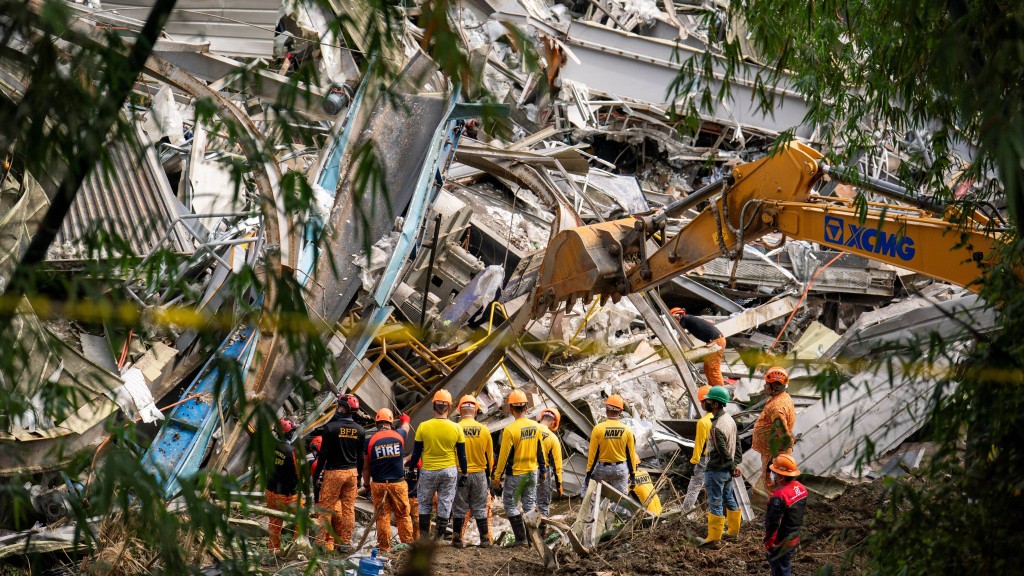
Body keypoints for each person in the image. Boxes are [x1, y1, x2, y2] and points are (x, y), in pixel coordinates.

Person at [408, 390, 468, 540]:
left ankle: (424, 538)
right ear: (449, 407)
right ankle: (438, 539)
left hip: (428, 471)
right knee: (445, 503)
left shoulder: (423, 426)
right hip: (449, 471)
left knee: (424, 503)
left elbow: (416, 453)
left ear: (434, 406)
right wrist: (465, 473)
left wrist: (411, 469)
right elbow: (462, 455)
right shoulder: (457, 428)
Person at [492, 389, 546, 548]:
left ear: (511, 409)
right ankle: (534, 540)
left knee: (510, 505)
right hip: (532, 472)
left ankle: (521, 539)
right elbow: (540, 450)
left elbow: (503, 457)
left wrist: (497, 477)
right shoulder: (536, 426)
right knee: (529, 505)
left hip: (516, 474)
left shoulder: (510, 430)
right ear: (526, 407)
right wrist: (543, 469)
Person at [316, 394, 366, 553]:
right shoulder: (360, 430)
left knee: (326, 508)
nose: (337, 408)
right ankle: (345, 543)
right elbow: (360, 457)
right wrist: (358, 477)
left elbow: (323, 454)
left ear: (343, 408)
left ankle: (320, 544)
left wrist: (317, 473)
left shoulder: (330, 428)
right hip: (352, 473)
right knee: (348, 509)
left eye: (339, 406)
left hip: (334, 472)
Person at [363, 408, 414, 553]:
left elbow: (366, 468)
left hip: (378, 484)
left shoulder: (369, 441)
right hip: (398, 484)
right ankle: (407, 546)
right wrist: (405, 420)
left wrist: (366, 485)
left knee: (382, 517)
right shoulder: (399, 435)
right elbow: (406, 427)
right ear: (391, 422)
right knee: (403, 515)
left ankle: (384, 548)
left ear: (377, 423)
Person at [700, 385, 742, 549]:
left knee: (715, 502)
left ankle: (714, 539)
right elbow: (737, 443)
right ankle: (733, 532)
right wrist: (735, 463)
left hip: (716, 470)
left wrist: (732, 466)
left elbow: (722, 450)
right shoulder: (730, 420)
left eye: (709, 401)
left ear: (716, 404)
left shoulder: (716, 426)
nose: (706, 403)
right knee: (729, 498)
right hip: (727, 471)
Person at [451, 395, 494, 548]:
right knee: (480, 508)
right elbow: (490, 458)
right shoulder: (484, 430)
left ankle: (457, 540)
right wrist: (489, 478)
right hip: (479, 474)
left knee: (459, 508)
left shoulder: (455, 429)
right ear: (475, 411)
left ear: (459, 410)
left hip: (460, 474)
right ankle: (484, 540)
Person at [752, 366, 796, 493]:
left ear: (776, 386)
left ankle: (775, 502)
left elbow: (782, 432)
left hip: (774, 452)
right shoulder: (782, 397)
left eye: (767, 384)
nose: (764, 386)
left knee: (771, 484)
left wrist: (777, 456)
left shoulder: (777, 408)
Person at [585, 394, 639, 496]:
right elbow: (631, 454)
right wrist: (632, 474)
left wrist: (588, 473)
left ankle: (595, 502)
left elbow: (593, 454)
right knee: (620, 498)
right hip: (620, 469)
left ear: (606, 410)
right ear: (621, 411)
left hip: (602, 469)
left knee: (595, 495)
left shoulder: (598, 429)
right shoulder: (627, 430)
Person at [763, 454, 807, 576]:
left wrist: (769, 544)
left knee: (780, 569)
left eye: (774, 473)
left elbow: (773, 524)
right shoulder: (801, 488)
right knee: (784, 564)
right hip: (793, 537)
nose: (772, 475)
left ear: (781, 476)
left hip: (780, 543)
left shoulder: (779, 497)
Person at [266, 418, 302, 554]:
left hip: (270, 491)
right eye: (291, 431)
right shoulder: (291, 451)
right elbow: (298, 473)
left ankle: (273, 551)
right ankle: (298, 549)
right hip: (288, 495)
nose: (292, 433)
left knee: (274, 523)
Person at [670, 308, 726, 386]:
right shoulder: (689, 320)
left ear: (679, 315)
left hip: (716, 341)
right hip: (714, 341)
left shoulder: (685, 319)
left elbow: (679, 332)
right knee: (707, 367)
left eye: (675, 318)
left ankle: (720, 390)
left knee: (713, 368)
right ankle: (712, 388)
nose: (675, 321)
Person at [681, 385, 712, 514]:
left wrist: (694, 461)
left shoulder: (703, 422)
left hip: (704, 459)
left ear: (705, 403)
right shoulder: (722, 419)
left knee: (694, 486)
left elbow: (699, 445)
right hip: (718, 458)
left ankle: (685, 512)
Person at [537, 408, 563, 517]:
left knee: (528, 503)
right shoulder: (553, 438)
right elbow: (557, 465)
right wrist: (559, 485)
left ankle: (527, 525)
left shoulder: (529, 429)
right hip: (542, 473)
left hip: (525, 469)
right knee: (543, 504)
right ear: (553, 423)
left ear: (541, 418)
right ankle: (542, 526)